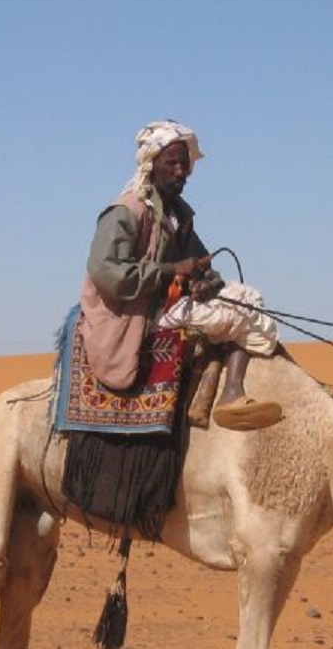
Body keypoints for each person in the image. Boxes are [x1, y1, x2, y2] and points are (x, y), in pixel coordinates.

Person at [80, 120, 282, 431]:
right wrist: (173, 270)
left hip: (168, 305)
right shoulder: (126, 211)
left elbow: (201, 264)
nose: (180, 172)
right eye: (171, 163)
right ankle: (232, 394)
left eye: (184, 164)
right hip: (136, 313)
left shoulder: (177, 214)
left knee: (247, 299)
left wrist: (205, 280)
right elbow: (107, 272)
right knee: (246, 306)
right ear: (151, 164)